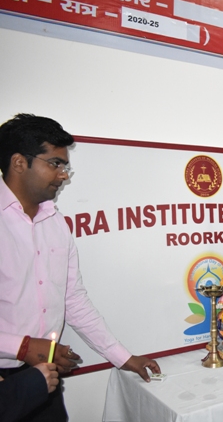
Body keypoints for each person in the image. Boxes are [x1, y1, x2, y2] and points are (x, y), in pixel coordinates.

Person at [0, 114, 162, 421]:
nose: (63, 175)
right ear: (19, 163)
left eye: (65, 166)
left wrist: (124, 358)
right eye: (55, 164)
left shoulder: (56, 224)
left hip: (45, 379)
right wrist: (21, 347)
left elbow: (73, 300)